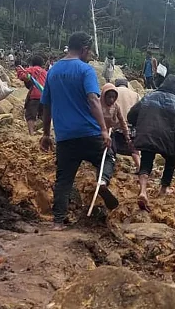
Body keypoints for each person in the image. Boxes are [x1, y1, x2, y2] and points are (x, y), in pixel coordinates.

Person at [39, 32, 119, 231]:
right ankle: (102, 180)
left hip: (65, 136)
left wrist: (46, 134)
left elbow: (46, 106)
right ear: (84, 49)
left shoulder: (53, 71)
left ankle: (58, 222)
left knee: (64, 179)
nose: (90, 55)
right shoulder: (86, 70)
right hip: (89, 132)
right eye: (90, 51)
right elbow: (93, 100)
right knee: (108, 158)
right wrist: (103, 130)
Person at [127, 74, 175, 212]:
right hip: (167, 139)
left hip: (147, 135)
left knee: (146, 161)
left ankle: (143, 190)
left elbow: (131, 115)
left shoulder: (149, 96)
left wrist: (138, 126)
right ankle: (164, 189)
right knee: (170, 162)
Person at [114, 79, 141, 171]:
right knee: (134, 150)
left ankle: (111, 166)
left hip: (116, 126)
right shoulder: (135, 95)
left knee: (112, 148)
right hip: (131, 127)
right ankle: (139, 167)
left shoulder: (113, 92)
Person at [16, 55, 48, 135]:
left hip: (34, 95)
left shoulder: (31, 70)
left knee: (30, 115)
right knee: (43, 114)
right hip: (45, 95)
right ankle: (43, 132)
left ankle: (31, 133)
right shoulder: (45, 72)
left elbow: (22, 76)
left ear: (32, 63)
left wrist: (19, 70)